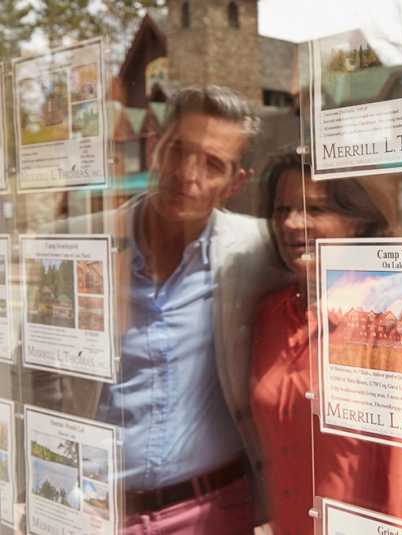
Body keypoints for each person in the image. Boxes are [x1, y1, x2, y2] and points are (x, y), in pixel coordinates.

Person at [30, 86, 287, 534]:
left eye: (212, 165)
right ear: (155, 149)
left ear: (235, 183)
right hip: (96, 508)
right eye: (178, 151)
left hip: (213, 511)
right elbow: (38, 374)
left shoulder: (258, 250)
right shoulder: (80, 246)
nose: (186, 174)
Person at [249, 152, 402, 534]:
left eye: (314, 209)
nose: (291, 223)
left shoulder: (394, 321)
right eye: (282, 209)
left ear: (358, 222)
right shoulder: (269, 317)